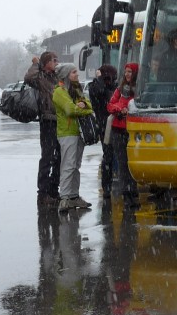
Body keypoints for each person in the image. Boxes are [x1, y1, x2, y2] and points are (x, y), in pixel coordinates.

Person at [52, 63, 94, 212]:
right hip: (67, 133)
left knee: (76, 166)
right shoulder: (59, 91)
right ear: (66, 75)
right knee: (68, 165)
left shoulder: (76, 89)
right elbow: (70, 110)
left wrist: (83, 106)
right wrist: (82, 108)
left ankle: (74, 196)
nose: (77, 74)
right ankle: (64, 198)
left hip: (79, 133)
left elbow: (89, 104)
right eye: (74, 72)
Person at [24, 51, 61, 208]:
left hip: (60, 121)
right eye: (54, 60)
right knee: (47, 156)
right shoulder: (40, 78)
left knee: (59, 157)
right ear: (46, 63)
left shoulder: (56, 77)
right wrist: (35, 64)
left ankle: (54, 190)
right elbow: (28, 78)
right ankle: (43, 193)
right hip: (47, 121)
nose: (56, 63)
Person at [106, 62, 140, 205]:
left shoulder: (138, 90)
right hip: (118, 129)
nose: (127, 74)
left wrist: (124, 108)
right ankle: (127, 193)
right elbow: (110, 105)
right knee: (122, 162)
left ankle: (132, 191)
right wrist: (120, 109)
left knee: (132, 163)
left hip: (132, 129)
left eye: (130, 72)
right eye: (126, 71)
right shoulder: (119, 89)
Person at [88, 64, 117, 192]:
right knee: (108, 155)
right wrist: (99, 79)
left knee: (114, 155)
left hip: (116, 125)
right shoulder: (95, 86)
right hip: (104, 126)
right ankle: (106, 187)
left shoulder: (113, 86)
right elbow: (99, 92)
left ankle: (110, 184)